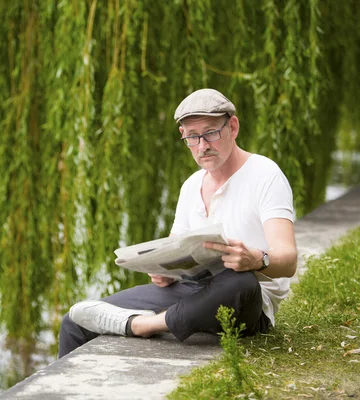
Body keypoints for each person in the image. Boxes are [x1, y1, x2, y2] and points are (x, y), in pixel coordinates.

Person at [59, 88, 298, 358]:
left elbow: (288, 262)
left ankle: (143, 324)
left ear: (233, 126)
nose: (203, 145)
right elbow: (175, 248)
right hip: (192, 290)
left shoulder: (265, 175)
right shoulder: (191, 185)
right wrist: (163, 270)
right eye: (193, 137)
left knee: (239, 281)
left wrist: (256, 260)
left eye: (211, 133)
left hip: (247, 302)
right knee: (74, 321)